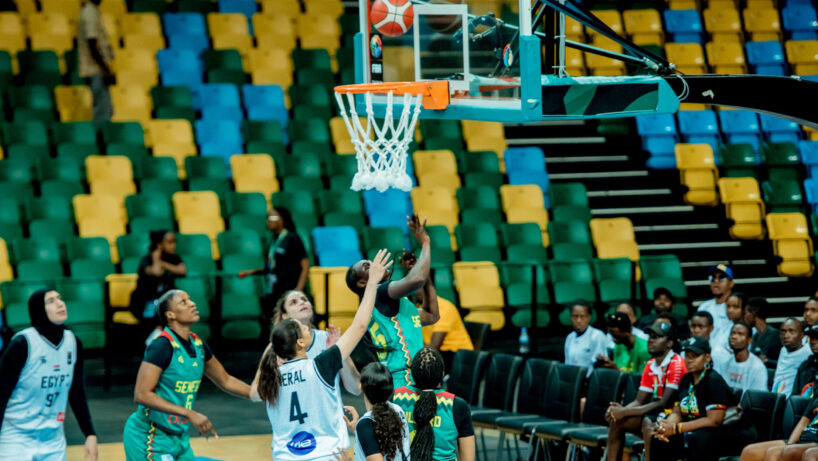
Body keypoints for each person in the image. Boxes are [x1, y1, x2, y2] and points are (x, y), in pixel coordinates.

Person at [252, 249, 390, 460]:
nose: (308, 329)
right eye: (303, 329)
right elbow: (360, 325)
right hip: (327, 453)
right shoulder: (319, 365)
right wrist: (371, 284)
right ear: (299, 342)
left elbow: (256, 394)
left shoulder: (273, 372)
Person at [122, 289, 251, 460]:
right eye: (183, 302)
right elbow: (141, 394)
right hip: (149, 436)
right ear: (170, 315)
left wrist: (258, 394)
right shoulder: (162, 346)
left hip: (178, 437)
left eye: (190, 299)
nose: (192, 303)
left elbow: (225, 380)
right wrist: (189, 413)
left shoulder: (198, 344)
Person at [0, 289, 98, 461]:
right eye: (51, 301)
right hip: (16, 436)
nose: (60, 303)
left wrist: (89, 433)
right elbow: (0, 394)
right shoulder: (22, 344)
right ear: (39, 309)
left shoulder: (73, 342)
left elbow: (76, 392)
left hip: (53, 438)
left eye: (60, 298)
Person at [345, 215, 440, 389]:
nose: (375, 265)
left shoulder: (377, 305)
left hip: (405, 380)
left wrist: (424, 277)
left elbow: (431, 315)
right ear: (362, 283)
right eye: (368, 266)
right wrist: (425, 243)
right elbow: (416, 279)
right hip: (406, 380)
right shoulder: (380, 292)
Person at [647, 337, 757, 461]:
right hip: (703, 429)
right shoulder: (685, 379)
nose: (689, 360)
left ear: (707, 358)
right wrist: (668, 426)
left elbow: (714, 420)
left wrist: (676, 428)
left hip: (733, 431)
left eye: (694, 356)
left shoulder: (713, 380)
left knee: (700, 438)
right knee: (659, 436)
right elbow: (677, 411)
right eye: (687, 356)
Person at [604, 321, 686, 461]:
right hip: (656, 413)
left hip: (676, 415)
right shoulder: (650, 365)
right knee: (616, 421)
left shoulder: (676, 364)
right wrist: (617, 413)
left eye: (656, 337)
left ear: (669, 343)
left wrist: (623, 412)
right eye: (650, 336)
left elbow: (663, 403)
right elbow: (639, 400)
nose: (651, 340)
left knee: (648, 424)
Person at [268, 289, 361, 395]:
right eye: (294, 302)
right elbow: (262, 392)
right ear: (285, 316)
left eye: (304, 299)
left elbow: (356, 388)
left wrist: (339, 354)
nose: (302, 302)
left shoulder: (328, 338)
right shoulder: (278, 346)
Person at [392, 347, 475, 461]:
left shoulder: (396, 397)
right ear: (442, 374)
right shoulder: (457, 405)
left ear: (412, 373)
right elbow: (468, 458)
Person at [397, 251, 472, 372]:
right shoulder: (415, 307)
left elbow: (434, 347)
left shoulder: (444, 307)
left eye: (419, 286)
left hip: (456, 356)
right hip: (438, 352)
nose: (416, 291)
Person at [239, 207, 310, 319]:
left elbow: (305, 266)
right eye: (267, 218)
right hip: (274, 290)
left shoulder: (292, 238)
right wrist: (251, 272)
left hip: (289, 290)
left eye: (271, 217)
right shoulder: (274, 240)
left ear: (281, 220)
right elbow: (272, 267)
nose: (268, 221)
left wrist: (298, 290)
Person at [131, 230, 186, 344]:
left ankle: (158, 333)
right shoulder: (147, 260)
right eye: (170, 242)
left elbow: (182, 271)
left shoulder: (174, 258)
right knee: (159, 309)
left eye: (174, 242)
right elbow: (156, 272)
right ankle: (155, 336)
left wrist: (163, 264)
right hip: (144, 300)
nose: (174, 246)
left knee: (175, 306)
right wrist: (156, 257)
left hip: (164, 300)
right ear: (159, 245)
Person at [351, 362, 411, 461]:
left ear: (361, 387)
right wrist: (358, 431)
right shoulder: (397, 410)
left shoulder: (365, 425)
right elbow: (383, 437)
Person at [740, 391, 818, 461]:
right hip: (805, 437)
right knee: (749, 451)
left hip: (815, 441)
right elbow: (804, 421)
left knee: (776, 453)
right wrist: (790, 444)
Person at [76, 0, 113, 122]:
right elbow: (92, 44)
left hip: (97, 69)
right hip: (95, 70)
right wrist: (105, 69)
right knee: (102, 113)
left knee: (106, 110)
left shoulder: (91, 11)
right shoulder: (89, 13)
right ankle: (100, 138)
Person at [713, 321, 768, 391]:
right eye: (732, 333)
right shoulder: (724, 363)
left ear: (749, 340)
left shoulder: (758, 368)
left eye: (740, 334)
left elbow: (757, 398)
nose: (734, 337)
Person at [564, 300, 608, 378]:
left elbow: (599, 366)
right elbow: (567, 364)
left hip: (588, 381)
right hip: (571, 380)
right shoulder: (570, 337)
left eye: (582, 316)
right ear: (570, 316)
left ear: (589, 317)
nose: (578, 320)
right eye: (575, 316)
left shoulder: (597, 336)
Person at [772, 318, 811, 395]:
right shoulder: (783, 350)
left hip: (792, 401)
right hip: (775, 398)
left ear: (802, 335)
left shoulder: (808, 352)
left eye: (791, 331)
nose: (786, 336)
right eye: (783, 332)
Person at [745, 297, 781, 369]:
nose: (745, 317)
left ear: (753, 313)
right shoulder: (755, 336)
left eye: (746, 313)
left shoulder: (773, 334)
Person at [710, 292, 749, 356]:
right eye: (728, 306)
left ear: (744, 309)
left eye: (735, 307)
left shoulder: (751, 331)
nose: (730, 310)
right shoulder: (723, 329)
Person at [793, 326, 818, 398]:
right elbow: (795, 396)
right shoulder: (804, 366)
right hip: (803, 407)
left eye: (817, 338)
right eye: (812, 338)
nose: (813, 342)